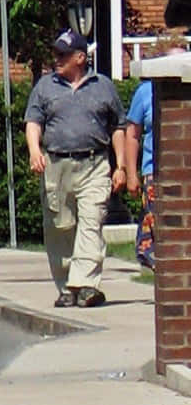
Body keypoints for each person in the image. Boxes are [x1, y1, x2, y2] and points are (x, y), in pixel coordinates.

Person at [23, 29, 128, 308]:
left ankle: (86, 285)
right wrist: (35, 151)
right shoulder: (45, 86)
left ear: (80, 57)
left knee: (91, 224)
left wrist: (122, 166)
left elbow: (119, 126)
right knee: (60, 226)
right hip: (56, 165)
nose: (56, 59)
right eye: (56, 54)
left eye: (63, 54)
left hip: (95, 164)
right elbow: (33, 122)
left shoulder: (103, 86)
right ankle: (67, 285)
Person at [126, 77, 155, 269]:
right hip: (154, 170)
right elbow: (132, 134)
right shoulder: (145, 92)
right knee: (158, 229)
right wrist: (131, 174)